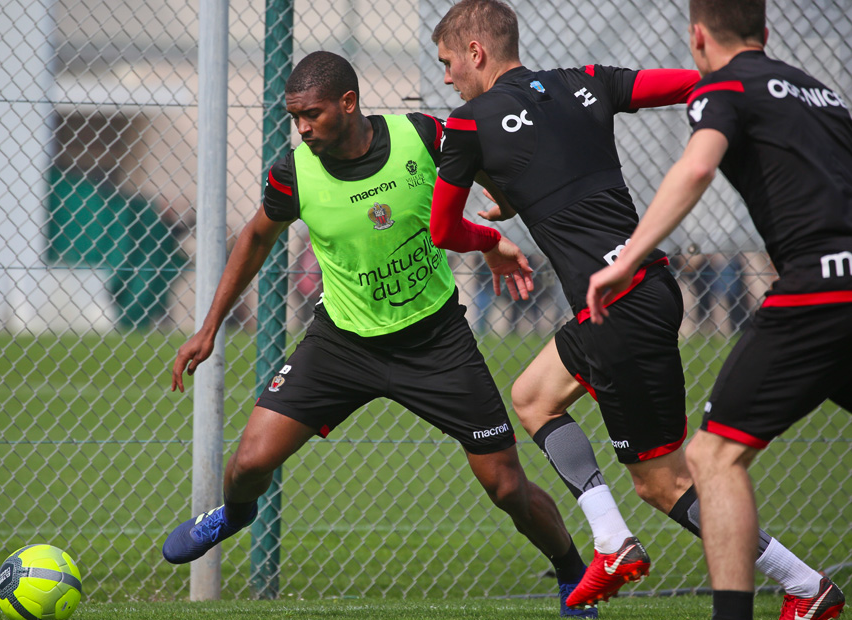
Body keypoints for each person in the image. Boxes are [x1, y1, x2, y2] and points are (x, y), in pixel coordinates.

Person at [428, 0, 833, 614]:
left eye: (448, 63)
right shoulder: (587, 81)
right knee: (533, 396)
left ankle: (804, 584)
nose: (447, 77)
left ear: (476, 53)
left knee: (664, 484)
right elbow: (694, 82)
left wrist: (493, 238)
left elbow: (443, 229)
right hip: (647, 291)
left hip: (615, 308)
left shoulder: (466, 125)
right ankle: (611, 540)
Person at [161, 50, 597, 618]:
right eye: (295, 117)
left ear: (348, 103)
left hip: (436, 342)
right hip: (342, 344)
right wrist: (208, 328)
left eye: (312, 114)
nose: (302, 127)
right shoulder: (295, 172)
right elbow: (255, 238)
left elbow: (487, 160)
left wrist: (503, 210)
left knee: (507, 487)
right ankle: (234, 516)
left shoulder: (421, 136)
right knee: (248, 463)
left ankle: (573, 573)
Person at [586, 0, 851, 618]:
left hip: (819, 289)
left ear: (698, 36)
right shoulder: (823, 95)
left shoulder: (723, 88)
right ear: (766, 31)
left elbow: (697, 165)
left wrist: (627, 259)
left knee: (713, 456)